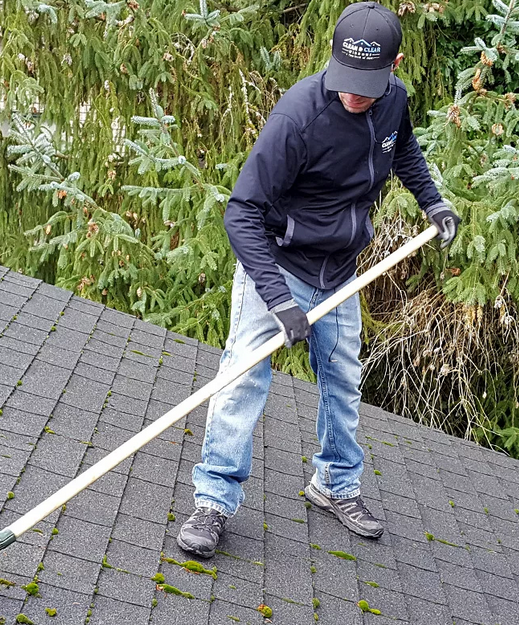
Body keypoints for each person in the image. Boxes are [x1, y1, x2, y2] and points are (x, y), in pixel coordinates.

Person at [176, 1, 460, 558]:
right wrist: (279, 300)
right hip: (279, 267)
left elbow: (404, 150)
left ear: (394, 67)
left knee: (343, 381)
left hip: (340, 274)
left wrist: (433, 202)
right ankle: (213, 500)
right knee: (242, 381)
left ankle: (334, 484)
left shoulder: (394, 101)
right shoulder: (298, 116)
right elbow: (242, 212)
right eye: (346, 79)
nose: (354, 94)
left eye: (367, 85)